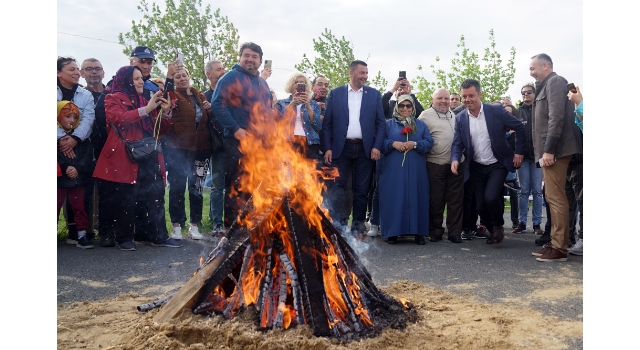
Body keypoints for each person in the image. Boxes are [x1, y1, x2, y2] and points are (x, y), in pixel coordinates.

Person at [92, 46, 178, 247]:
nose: (142, 81)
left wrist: (166, 113)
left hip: (149, 153)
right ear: (127, 78)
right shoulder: (112, 97)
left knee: (155, 193)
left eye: (142, 78)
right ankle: (125, 237)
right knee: (126, 197)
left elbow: (160, 129)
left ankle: (159, 235)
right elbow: (118, 119)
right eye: (137, 78)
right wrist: (147, 109)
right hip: (125, 154)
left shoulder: (148, 98)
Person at [451, 79, 525, 245]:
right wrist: (455, 158)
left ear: (479, 94)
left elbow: (519, 127)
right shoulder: (460, 117)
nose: (467, 99)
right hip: (476, 166)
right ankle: (493, 230)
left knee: (491, 197)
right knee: (479, 206)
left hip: (497, 163)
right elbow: (457, 142)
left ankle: (497, 226)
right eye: (464, 96)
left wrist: (519, 152)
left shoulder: (496, 110)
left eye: (471, 95)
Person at [211, 42, 273, 228]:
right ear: (240, 57)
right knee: (237, 187)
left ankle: (250, 228)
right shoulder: (231, 77)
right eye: (246, 55)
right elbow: (217, 104)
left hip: (260, 144)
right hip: (237, 141)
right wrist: (236, 129)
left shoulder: (262, 83)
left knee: (256, 187)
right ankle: (233, 230)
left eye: (254, 57)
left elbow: (267, 112)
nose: (250, 59)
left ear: (260, 61)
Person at [528, 54, 583, 262]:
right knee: (553, 196)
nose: (531, 73)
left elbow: (556, 116)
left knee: (555, 196)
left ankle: (559, 247)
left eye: (533, 68)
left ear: (544, 66)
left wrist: (549, 149)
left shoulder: (555, 82)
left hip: (556, 150)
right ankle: (556, 242)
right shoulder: (547, 85)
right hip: (552, 150)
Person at [322, 60, 385, 237]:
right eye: (362, 73)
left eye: (366, 73)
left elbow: (380, 124)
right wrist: (327, 148)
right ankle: (339, 226)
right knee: (338, 187)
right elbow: (327, 124)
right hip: (340, 149)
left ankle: (358, 227)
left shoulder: (374, 94)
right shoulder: (336, 93)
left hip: (365, 149)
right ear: (351, 73)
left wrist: (376, 146)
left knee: (361, 190)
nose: (365, 76)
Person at [163, 67, 212, 241]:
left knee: (197, 188)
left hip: (201, 149)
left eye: (184, 75)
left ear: (189, 77)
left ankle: (195, 226)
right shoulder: (172, 95)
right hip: (179, 149)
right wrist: (169, 77)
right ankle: (176, 227)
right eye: (178, 77)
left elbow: (207, 120)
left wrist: (209, 108)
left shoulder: (200, 95)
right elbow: (164, 101)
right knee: (177, 187)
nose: (182, 78)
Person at [379, 95, 433, 244]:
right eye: (402, 105)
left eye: (408, 106)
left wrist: (414, 144)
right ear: (396, 107)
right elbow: (379, 143)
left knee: (417, 196)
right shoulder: (388, 124)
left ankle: (419, 233)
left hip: (416, 169)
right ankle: (393, 232)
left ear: (413, 108)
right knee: (394, 197)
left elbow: (429, 142)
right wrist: (393, 144)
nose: (405, 109)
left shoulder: (420, 125)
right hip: (393, 169)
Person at [418, 88, 465, 243]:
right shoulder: (425, 116)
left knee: (455, 199)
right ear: (433, 99)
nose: (444, 101)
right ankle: (435, 230)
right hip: (435, 163)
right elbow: (419, 138)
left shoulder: (454, 115)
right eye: (440, 98)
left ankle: (455, 232)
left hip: (457, 163)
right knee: (436, 199)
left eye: (446, 98)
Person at [57, 56, 96, 245]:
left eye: (77, 69)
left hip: (80, 146)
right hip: (55, 146)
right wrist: (61, 140)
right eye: (71, 69)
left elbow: (88, 119)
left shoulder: (85, 94)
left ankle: (81, 234)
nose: (76, 72)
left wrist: (74, 139)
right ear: (58, 73)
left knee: (80, 199)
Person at [513, 85, 543, 234]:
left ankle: (537, 224)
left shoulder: (541, 108)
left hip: (539, 157)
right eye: (523, 92)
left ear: (534, 93)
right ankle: (522, 222)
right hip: (523, 158)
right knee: (523, 191)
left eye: (528, 92)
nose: (525, 94)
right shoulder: (518, 113)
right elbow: (517, 135)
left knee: (537, 190)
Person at [274, 72, 322, 161]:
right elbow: (277, 123)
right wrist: (291, 105)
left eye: (302, 83)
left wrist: (308, 107)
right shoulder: (281, 103)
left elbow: (318, 127)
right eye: (296, 82)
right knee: (288, 173)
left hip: (310, 143)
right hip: (288, 142)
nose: (299, 84)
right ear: (291, 85)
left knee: (310, 174)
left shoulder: (313, 104)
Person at [203, 60, 227, 236]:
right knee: (217, 186)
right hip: (217, 147)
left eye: (223, 69)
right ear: (208, 74)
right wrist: (209, 111)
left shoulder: (232, 95)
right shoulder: (204, 97)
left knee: (235, 186)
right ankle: (217, 224)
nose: (222, 72)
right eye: (218, 70)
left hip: (235, 144)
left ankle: (234, 222)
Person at [503, 104, 520, 230]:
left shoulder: (517, 128)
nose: (507, 114)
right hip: (499, 164)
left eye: (510, 112)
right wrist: (508, 134)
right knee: (498, 195)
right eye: (505, 112)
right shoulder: (499, 127)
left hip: (511, 165)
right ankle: (498, 222)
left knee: (513, 194)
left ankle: (515, 221)